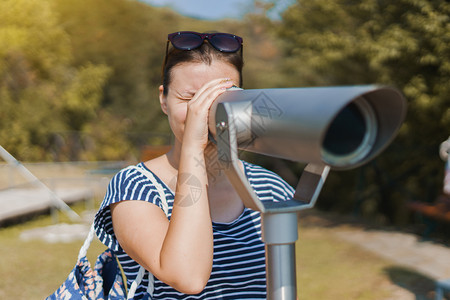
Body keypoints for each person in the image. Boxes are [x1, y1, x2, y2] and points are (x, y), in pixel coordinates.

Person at [94, 31, 294, 299]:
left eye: (221, 98)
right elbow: (187, 277)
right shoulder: (136, 188)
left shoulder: (268, 188)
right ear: (164, 100)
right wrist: (193, 150)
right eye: (191, 99)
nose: (207, 111)